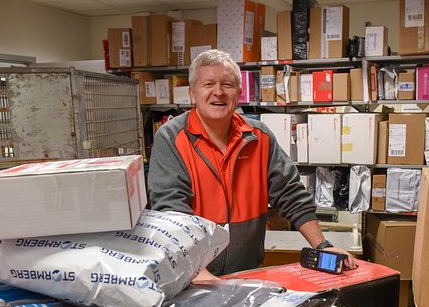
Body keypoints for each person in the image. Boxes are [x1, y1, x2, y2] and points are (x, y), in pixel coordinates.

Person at [148, 49, 357, 279]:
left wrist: (323, 246)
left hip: (246, 274)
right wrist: (198, 273)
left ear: (238, 93)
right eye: (208, 84)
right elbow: (171, 211)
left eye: (227, 85)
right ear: (192, 94)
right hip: (192, 279)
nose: (218, 92)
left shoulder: (259, 137)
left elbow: (291, 193)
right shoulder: (171, 138)